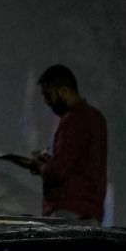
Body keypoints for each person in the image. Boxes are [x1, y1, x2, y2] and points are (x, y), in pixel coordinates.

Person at [31, 64, 107, 225]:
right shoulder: (96, 117)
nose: (47, 102)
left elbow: (58, 170)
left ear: (64, 91)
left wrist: (41, 167)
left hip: (68, 212)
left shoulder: (73, 121)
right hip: (91, 212)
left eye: (48, 95)